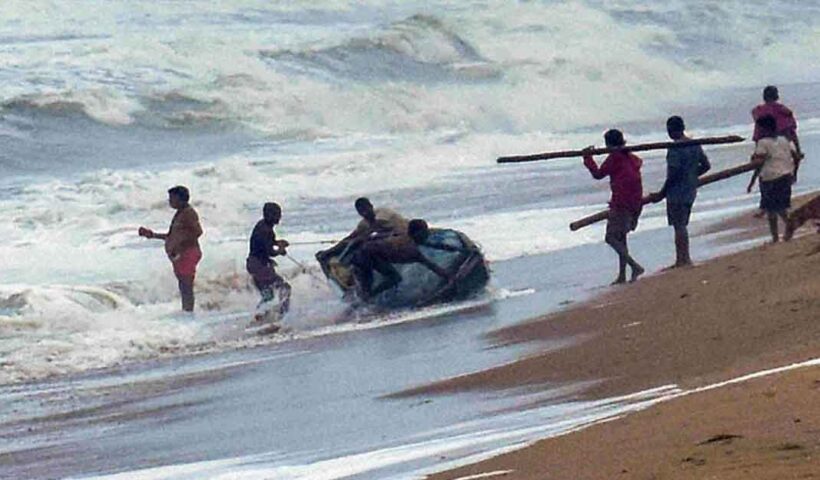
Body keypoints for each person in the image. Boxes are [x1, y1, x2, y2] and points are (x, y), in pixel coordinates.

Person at [583, 129, 645, 284]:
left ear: (609, 144)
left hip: (622, 202)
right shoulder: (629, 157)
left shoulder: (615, 158)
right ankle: (622, 275)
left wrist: (587, 158)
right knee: (621, 237)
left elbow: (598, 174)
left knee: (610, 237)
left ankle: (634, 266)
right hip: (636, 201)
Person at [650, 116, 711, 268]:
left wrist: (662, 193)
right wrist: (691, 176)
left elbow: (673, 174)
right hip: (690, 189)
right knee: (682, 223)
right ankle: (684, 258)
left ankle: (682, 259)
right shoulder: (694, 144)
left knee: (679, 225)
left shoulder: (674, 148)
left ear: (670, 130)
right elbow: (706, 165)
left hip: (676, 191)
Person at [351, 219, 453, 299]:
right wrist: (451, 278)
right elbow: (433, 267)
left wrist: (451, 248)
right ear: (417, 234)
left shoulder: (405, 235)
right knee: (394, 278)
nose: (427, 234)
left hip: (362, 253)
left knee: (365, 292)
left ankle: (360, 305)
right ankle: (365, 303)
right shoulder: (411, 249)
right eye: (425, 231)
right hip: (366, 257)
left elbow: (429, 244)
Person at [139, 186, 203, 312]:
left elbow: (198, 232)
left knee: (186, 285)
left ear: (181, 199)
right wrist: (152, 235)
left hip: (187, 253)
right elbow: (171, 236)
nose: (170, 201)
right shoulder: (180, 214)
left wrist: (180, 247)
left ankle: (188, 312)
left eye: (172, 198)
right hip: (181, 254)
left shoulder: (188, 213)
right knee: (183, 285)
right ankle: (187, 311)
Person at [747, 115, 800, 243]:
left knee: (772, 210)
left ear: (764, 128)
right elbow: (796, 156)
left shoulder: (763, 142)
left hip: (770, 178)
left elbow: (759, 163)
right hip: (786, 175)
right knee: (782, 207)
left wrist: (752, 180)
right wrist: (794, 172)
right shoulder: (785, 140)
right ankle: (788, 232)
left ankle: (776, 237)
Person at [316, 197, 409, 262]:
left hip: (409, 236)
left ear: (371, 206)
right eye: (361, 211)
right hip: (392, 243)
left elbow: (373, 229)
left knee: (363, 242)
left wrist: (357, 240)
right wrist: (328, 252)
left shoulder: (383, 212)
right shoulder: (364, 223)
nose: (364, 213)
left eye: (366, 209)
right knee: (357, 244)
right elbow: (350, 238)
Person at [246, 202, 291, 321]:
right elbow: (270, 251)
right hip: (259, 265)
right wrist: (280, 250)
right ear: (270, 215)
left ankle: (260, 317)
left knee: (268, 295)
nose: (279, 217)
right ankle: (282, 316)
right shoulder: (266, 230)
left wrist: (278, 243)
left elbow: (267, 244)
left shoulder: (262, 226)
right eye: (277, 215)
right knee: (285, 288)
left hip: (254, 264)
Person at [752, 86, 804, 164]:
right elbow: (792, 133)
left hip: (763, 147)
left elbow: (758, 135)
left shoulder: (758, 111)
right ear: (777, 96)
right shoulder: (783, 110)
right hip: (783, 145)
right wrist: (798, 151)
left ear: (764, 97)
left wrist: (756, 152)